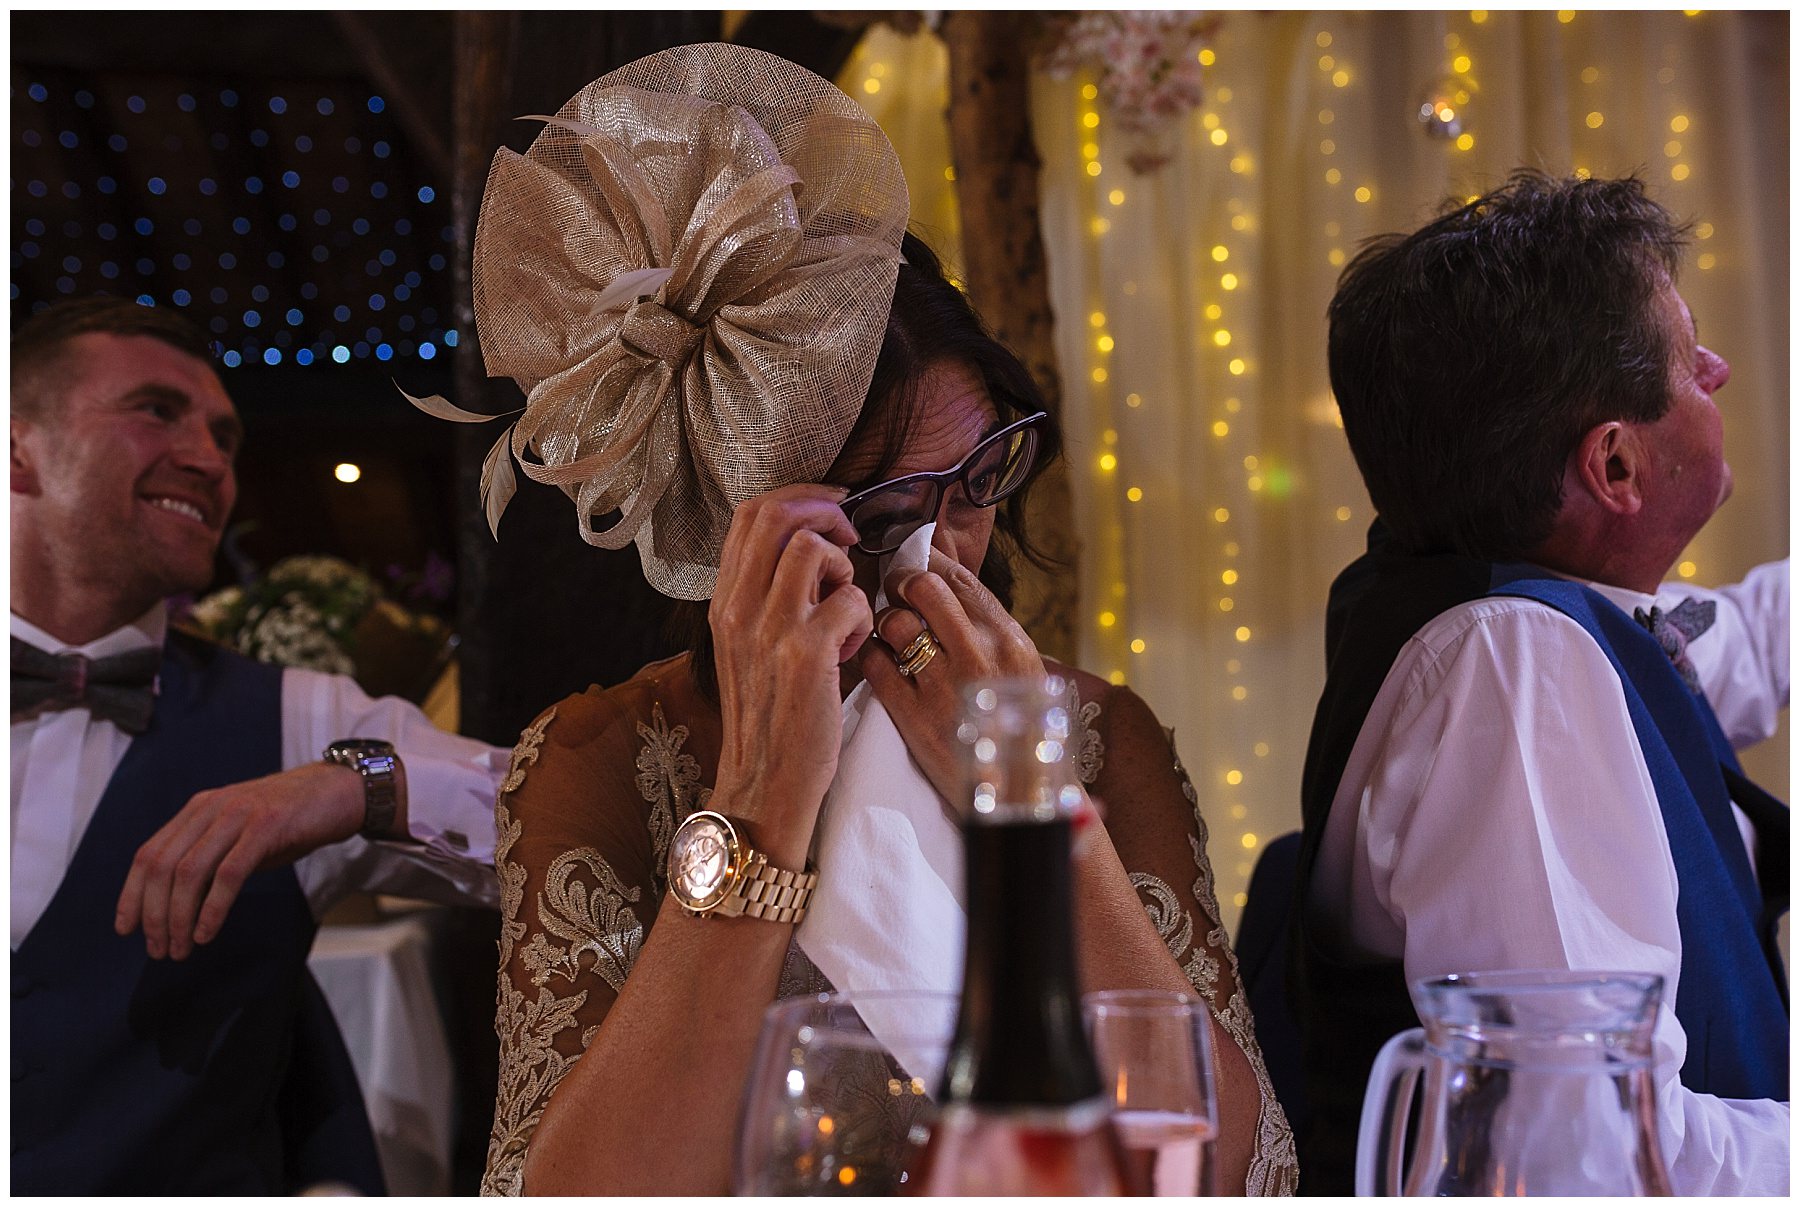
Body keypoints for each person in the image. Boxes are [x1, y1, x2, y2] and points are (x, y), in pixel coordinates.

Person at [449, 43, 1296, 1197]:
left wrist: (1035, 807)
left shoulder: (1099, 732)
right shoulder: (600, 758)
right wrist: (760, 794)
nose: (946, 549)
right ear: (736, 531)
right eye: (888, 509)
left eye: (981, 476)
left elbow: (1243, 1169)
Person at [1293, 170, 1788, 1194]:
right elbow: (1584, 1149)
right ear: (1615, 466)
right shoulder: (1513, 672)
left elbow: (1740, 645)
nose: (1719, 367)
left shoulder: (1506, 597)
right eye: (1687, 362)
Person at [10, 295, 511, 1194]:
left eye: (226, 436)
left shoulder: (297, 721)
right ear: (18, 446)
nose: (210, 459)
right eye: (157, 411)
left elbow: (566, 833)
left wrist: (368, 786)